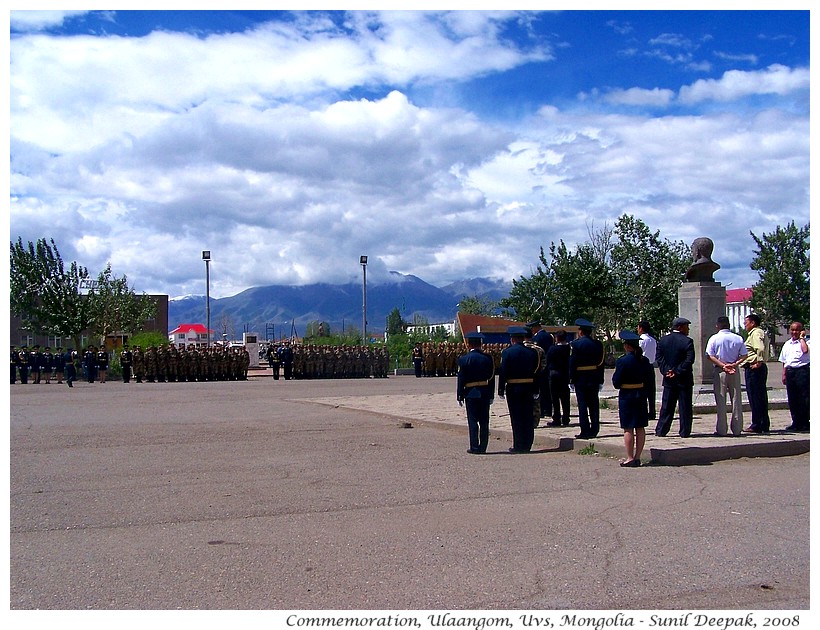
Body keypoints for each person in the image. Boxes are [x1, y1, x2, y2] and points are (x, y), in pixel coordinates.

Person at [498, 326, 540, 453]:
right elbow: (536, 372)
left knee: (516, 417)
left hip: (513, 387)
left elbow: (503, 371)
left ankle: (518, 445)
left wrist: (501, 389)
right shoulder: (533, 352)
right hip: (528, 387)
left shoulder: (507, 352)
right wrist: (536, 389)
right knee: (528, 415)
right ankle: (527, 444)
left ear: (512, 339)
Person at [612, 331, 652, 467]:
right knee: (640, 427)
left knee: (628, 428)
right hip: (640, 395)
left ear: (627, 346)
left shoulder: (622, 361)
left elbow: (616, 382)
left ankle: (630, 457)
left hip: (627, 396)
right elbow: (649, 379)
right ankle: (638, 456)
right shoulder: (644, 360)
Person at [705, 315, 747, 436]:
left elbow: (709, 355)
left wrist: (723, 365)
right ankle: (737, 428)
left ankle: (722, 429)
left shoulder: (714, 338)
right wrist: (734, 364)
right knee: (736, 399)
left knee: (721, 399)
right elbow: (744, 355)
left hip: (720, 370)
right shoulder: (738, 338)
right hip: (734, 370)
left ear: (718, 326)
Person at [655, 317, 696, 438]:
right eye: (686, 327)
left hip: (668, 379)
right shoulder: (687, 341)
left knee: (667, 406)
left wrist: (667, 370)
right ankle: (685, 431)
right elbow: (689, 360)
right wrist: (677, 371)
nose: (688, 329)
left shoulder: (663, 340)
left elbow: (659, 358)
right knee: (685, 407)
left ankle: (661, 430)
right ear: (679, 327)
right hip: (684, 379)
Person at [456, 333, 496, 454]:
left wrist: (460, 394)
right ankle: (483, 447)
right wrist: (491, 394)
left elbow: (461, 378)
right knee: (484, 421)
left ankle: (474, 446)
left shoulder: (464, 359)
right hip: (484, 392)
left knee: (472, 421)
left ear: (469, 345)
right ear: (481, 344)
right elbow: (492, 377)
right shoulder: (488, 358)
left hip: (470, 393)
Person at [569, 318, 605, 439]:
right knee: (594, 404)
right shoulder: (598, 344)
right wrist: (601, 379)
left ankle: (585, 430)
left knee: (583, 405)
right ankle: (594, 429)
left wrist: (571, 379)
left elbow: (572, 363)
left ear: (581, 332)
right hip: (594, 377)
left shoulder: (575, 344)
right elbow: (601, 363)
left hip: (580, 378)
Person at [739, 314, 770, 433]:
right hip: (755, 368)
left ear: (752, 323)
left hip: (754, 368)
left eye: (746, 322)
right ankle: (762, 423)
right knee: (759, 396)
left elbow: (760, 348)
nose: (745, 325)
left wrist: (759, 361)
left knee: (756, 396)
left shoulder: (756, 333)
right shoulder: (755, 333)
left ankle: (758, 424)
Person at [779, 322, 810, 432]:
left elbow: (805, 351)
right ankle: (796, 422)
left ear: (801, 331)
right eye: (792, 330)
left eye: (797, 330)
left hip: (802, 371)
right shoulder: (787, 344)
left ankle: (805, 423)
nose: (794, 332)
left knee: (804, 398)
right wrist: (784, 374)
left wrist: (802, 338)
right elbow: (784, 360)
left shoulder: (806, 342)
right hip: (790, 372)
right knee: (793, 398)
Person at [529, 321, 554, 420]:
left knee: (540, 390)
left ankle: (543, 410)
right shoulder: (549, 336)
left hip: (540, 366)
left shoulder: (537, 338)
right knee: (547, 390)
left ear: (535, 328)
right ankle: (548, 409)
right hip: (548, 365)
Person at [546, 330, 571, 427]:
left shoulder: (553, 349)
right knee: (565, 397)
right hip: (565, 375)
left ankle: (556, 418)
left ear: (557, 338)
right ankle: (566, 418)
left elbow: (548, 361)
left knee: (555, 398)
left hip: (554, 374)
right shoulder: (569, 348)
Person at [637, 320, 657, 420]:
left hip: (642, 366)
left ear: (641, 328)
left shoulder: (641, 340)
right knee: (651, 391)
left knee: (642, 390)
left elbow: (638, 352)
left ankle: (644, 411)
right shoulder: (653, 340)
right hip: (651, 366)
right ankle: (652, 412)